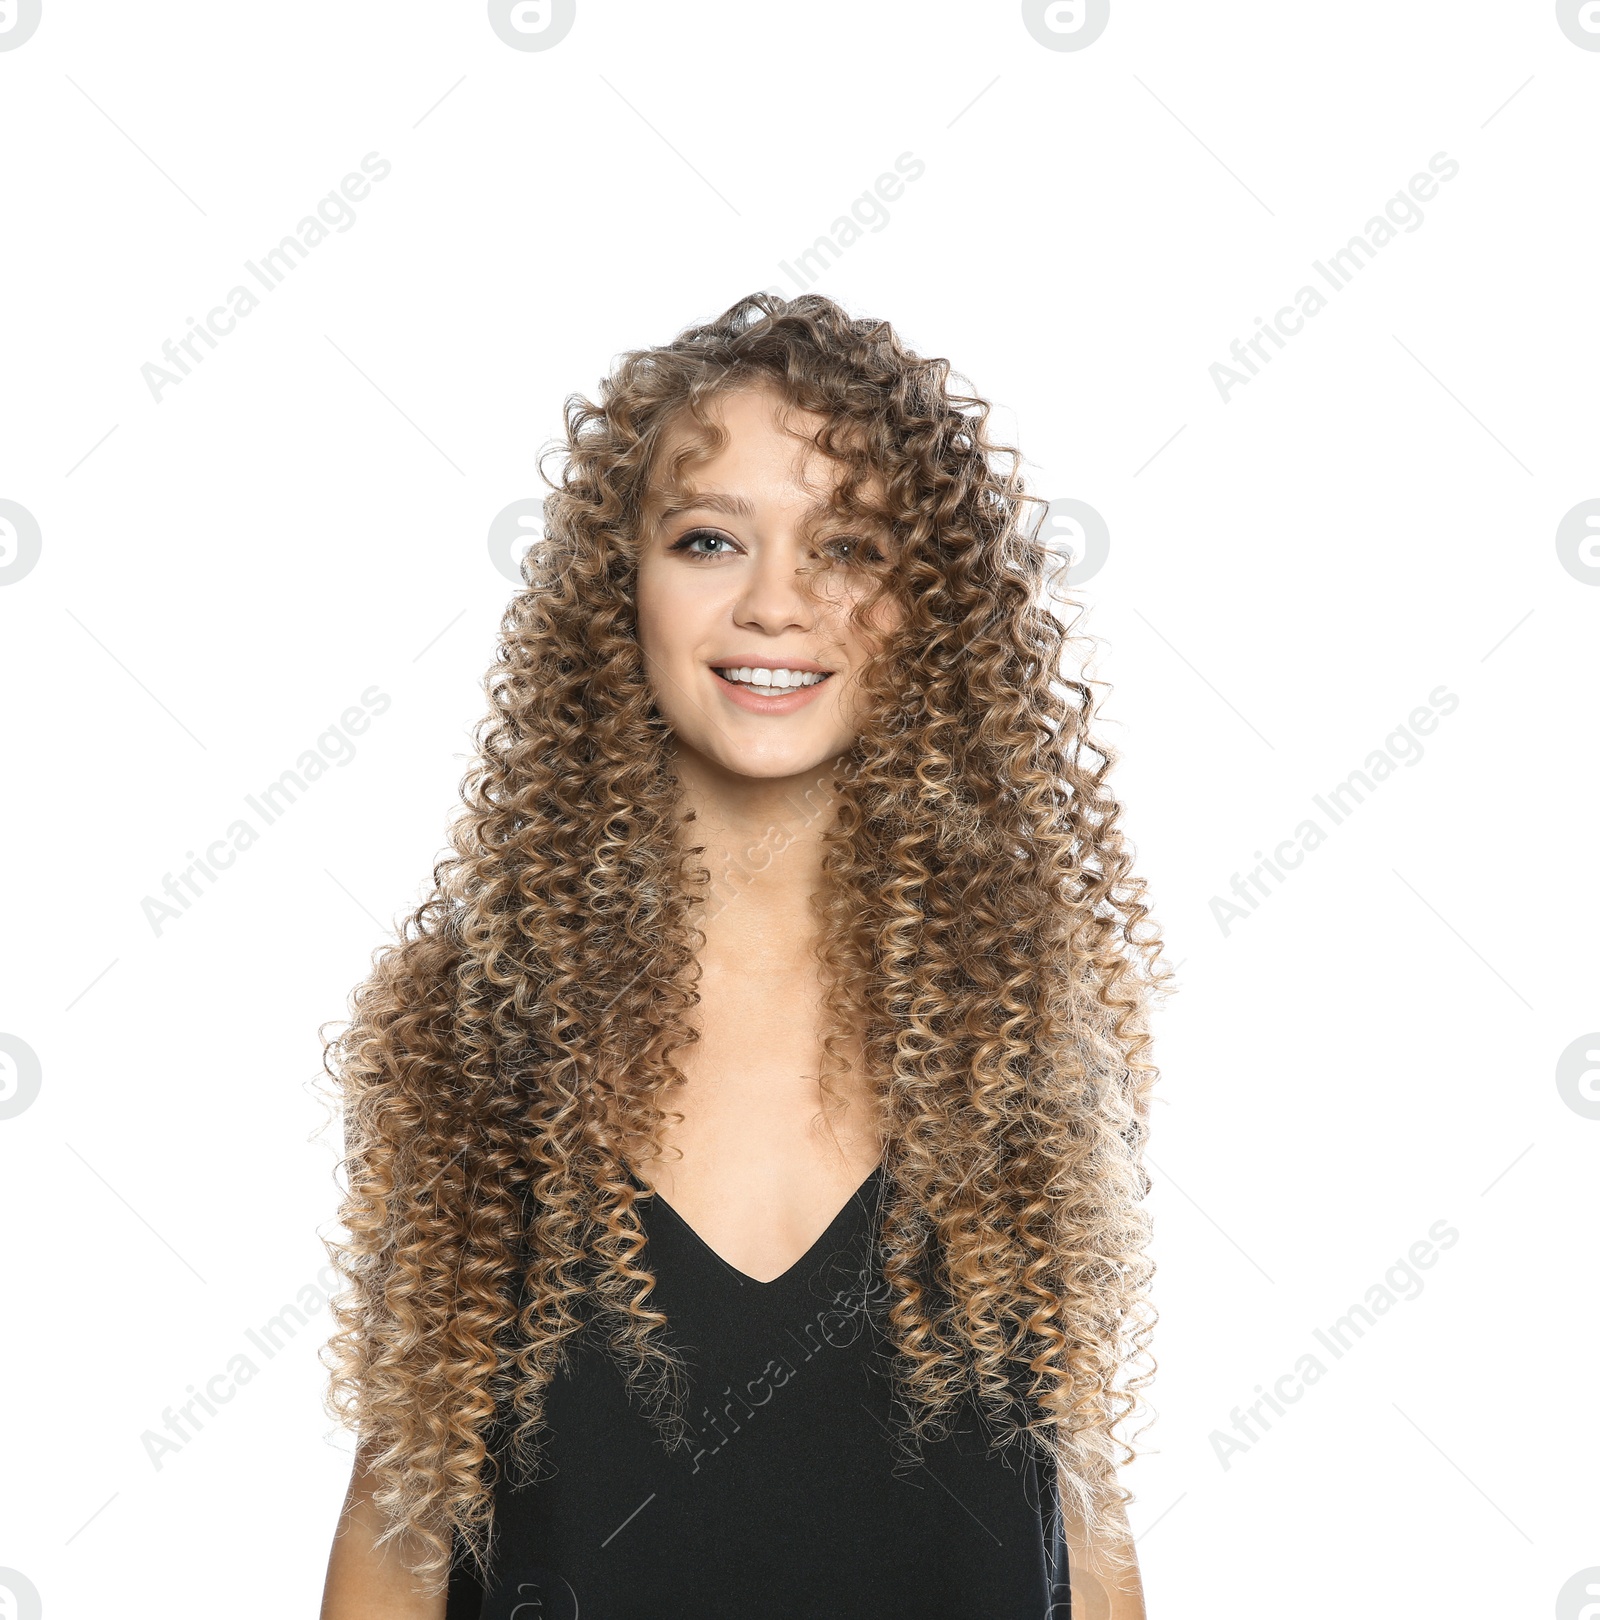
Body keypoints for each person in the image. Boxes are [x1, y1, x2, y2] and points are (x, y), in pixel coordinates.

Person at [318, 292, 1168, 1619]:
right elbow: (402, 1520)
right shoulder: (478, 1020)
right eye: (710, 539)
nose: (777, 602)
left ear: (922, 609)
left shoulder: (1012, 1021)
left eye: (846, 546)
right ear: (624, 588)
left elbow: (1077, 1511)